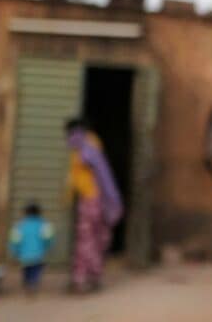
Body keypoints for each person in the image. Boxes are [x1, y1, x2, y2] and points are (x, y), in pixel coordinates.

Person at [65, 118, 123, 293]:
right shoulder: (92, 146)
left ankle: (81, 280)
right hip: (97, 200)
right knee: (97, 239)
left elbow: (91, 171)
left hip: (91, 199)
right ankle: (93, 277)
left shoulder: (86, 148)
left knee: (86, 240)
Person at [9, 202, 55, 295]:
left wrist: (14, 251)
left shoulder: (19, 226)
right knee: (36, 270)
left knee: (26, 270)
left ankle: (27, 283)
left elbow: (15, 240)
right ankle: (33, 284)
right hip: (38, 254)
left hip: (24, 255)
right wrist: (47, 247)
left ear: (25, 213)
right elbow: (48, 238)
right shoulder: (44, 224)